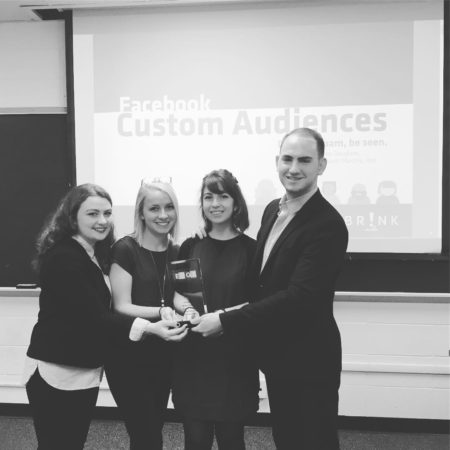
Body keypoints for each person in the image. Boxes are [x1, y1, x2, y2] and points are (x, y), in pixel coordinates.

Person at [193, 128, 349, 449]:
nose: (294, 168)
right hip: (278, 356)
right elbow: (261, 283)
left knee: (314, 441)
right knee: (287, 438)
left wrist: (225, 320)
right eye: (287, 159)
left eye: (304, 160)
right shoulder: (272, 210)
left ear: (321, 166)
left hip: (309, 360)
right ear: (277, 161)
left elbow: (300, 298)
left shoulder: (327, 224)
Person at [25, 183, 184, 450]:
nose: (102, 221)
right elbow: (96, 316)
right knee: (58, 443)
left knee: (71, 442)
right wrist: (152, 327)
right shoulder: (64, 257)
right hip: (57, 371)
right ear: (72, 217)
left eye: (107, 213)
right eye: (92, 214)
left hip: (83, 369)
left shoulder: (93, 252)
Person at [172, 169, 260, 450]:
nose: (215, 203)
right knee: (195, 440)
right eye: (208, 197)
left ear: (236, 202)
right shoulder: (191, 245)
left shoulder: (252, 250)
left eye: (223, 196)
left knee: (231, 439)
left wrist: (222, 318)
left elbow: (259, 302)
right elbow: (177, 293)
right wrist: (187, 310)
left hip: (234, 358)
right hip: (194, 358)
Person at [104, 180, 188, 450]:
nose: (163, 215)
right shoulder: (125, 249)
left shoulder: (178, 251)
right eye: (154, 208)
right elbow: (121, 306)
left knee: (150, 431)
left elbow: (178, 297)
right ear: (141, 212)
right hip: (128, 358)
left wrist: (187, 310)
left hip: (163, 356)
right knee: (147, 436)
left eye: (169, 207)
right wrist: (161, 311)